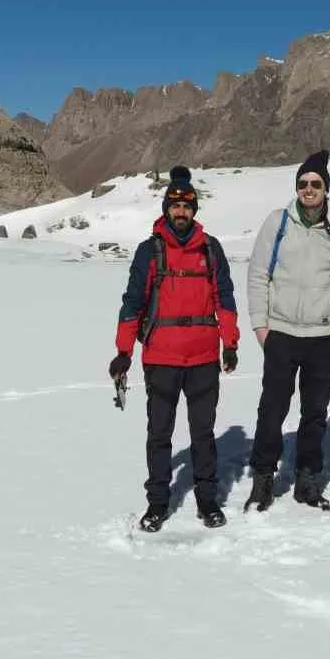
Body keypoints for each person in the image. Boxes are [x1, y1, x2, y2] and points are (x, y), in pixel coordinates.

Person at [109, 165, 239, 533]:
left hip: (203, 358)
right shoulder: (149, 251)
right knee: (159, 435)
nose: (181, 212)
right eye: (175, 205)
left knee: (203, 434)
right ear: (166, 208)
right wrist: (123, 351)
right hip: (161, 358)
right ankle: (158, 504)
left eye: (187, 206)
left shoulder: (211, 250)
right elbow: (132, 302)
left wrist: (229, 343)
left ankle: (207, 501)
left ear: (194, 210)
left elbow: (224, 298)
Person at [242, 149, 330, 511]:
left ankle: (307, 478)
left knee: (314, 413)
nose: (309, 189)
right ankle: (263, 478)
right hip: (280, 333)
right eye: (303, 183)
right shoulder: (278, 222)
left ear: (326, 188)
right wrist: (261, 326)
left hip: (324, 338)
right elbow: (259, 274)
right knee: (272, 409)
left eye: (316, 183)